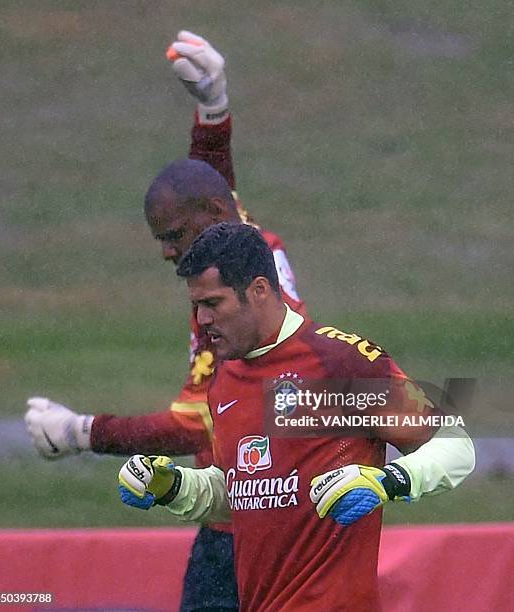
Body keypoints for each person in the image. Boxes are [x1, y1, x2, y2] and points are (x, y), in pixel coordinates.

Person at [24, 32, 304, 612]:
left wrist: (83, 432)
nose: (167, 253)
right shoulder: (242, 246)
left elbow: (193, 423)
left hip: (251, 533)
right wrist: (213, 114)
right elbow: (210, 193)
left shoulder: (235, 306)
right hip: (255, 517)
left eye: (173, 238)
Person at [118, 223, 476, 612]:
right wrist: (175, 486)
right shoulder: (225, 378)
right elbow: (247, 492)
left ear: (258, 290)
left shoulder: (337, 364)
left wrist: (388, 481)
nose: (201, 319)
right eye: (195, 306)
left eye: (213, 304)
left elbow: (455, 445)